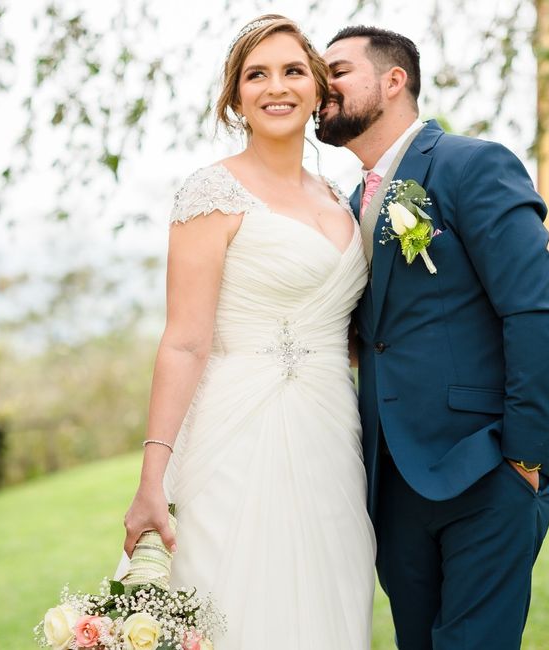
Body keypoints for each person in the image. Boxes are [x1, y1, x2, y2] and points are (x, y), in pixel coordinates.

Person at [118, 15, 376, 649]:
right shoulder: (212, 193)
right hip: (235, 432)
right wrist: (154, 476)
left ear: (317, 88)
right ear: (236, 97)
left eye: (292, 71)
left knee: (328, 597)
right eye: (255, 75)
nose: (275, 87)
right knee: (232, 603)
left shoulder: (341, 198)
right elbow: (183, 340)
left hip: (332, 435)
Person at [317, 26, 549, 650]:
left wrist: (525, 460)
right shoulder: (350, 203)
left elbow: (535, 314)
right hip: (393, 481)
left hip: (486, 468)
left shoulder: (472, 164)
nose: (323, 87)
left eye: (338, 72)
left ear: (394, 80)